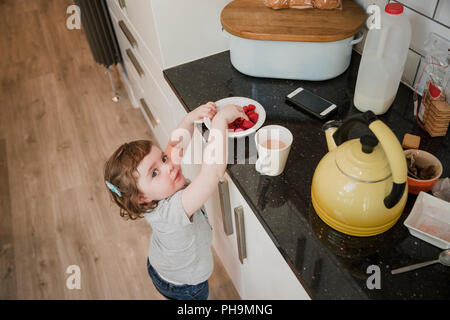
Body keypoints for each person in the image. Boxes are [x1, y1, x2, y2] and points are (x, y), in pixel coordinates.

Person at [103, 102, 248, 300]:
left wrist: (190, 118)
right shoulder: (171, 212)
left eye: (162, 159)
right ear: (143, 197)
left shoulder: (154, 191)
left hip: (163, 267)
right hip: (186, 287)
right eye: (154, 172)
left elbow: (174, 145)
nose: (169, 166)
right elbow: (212, 172)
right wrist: (220, 121)